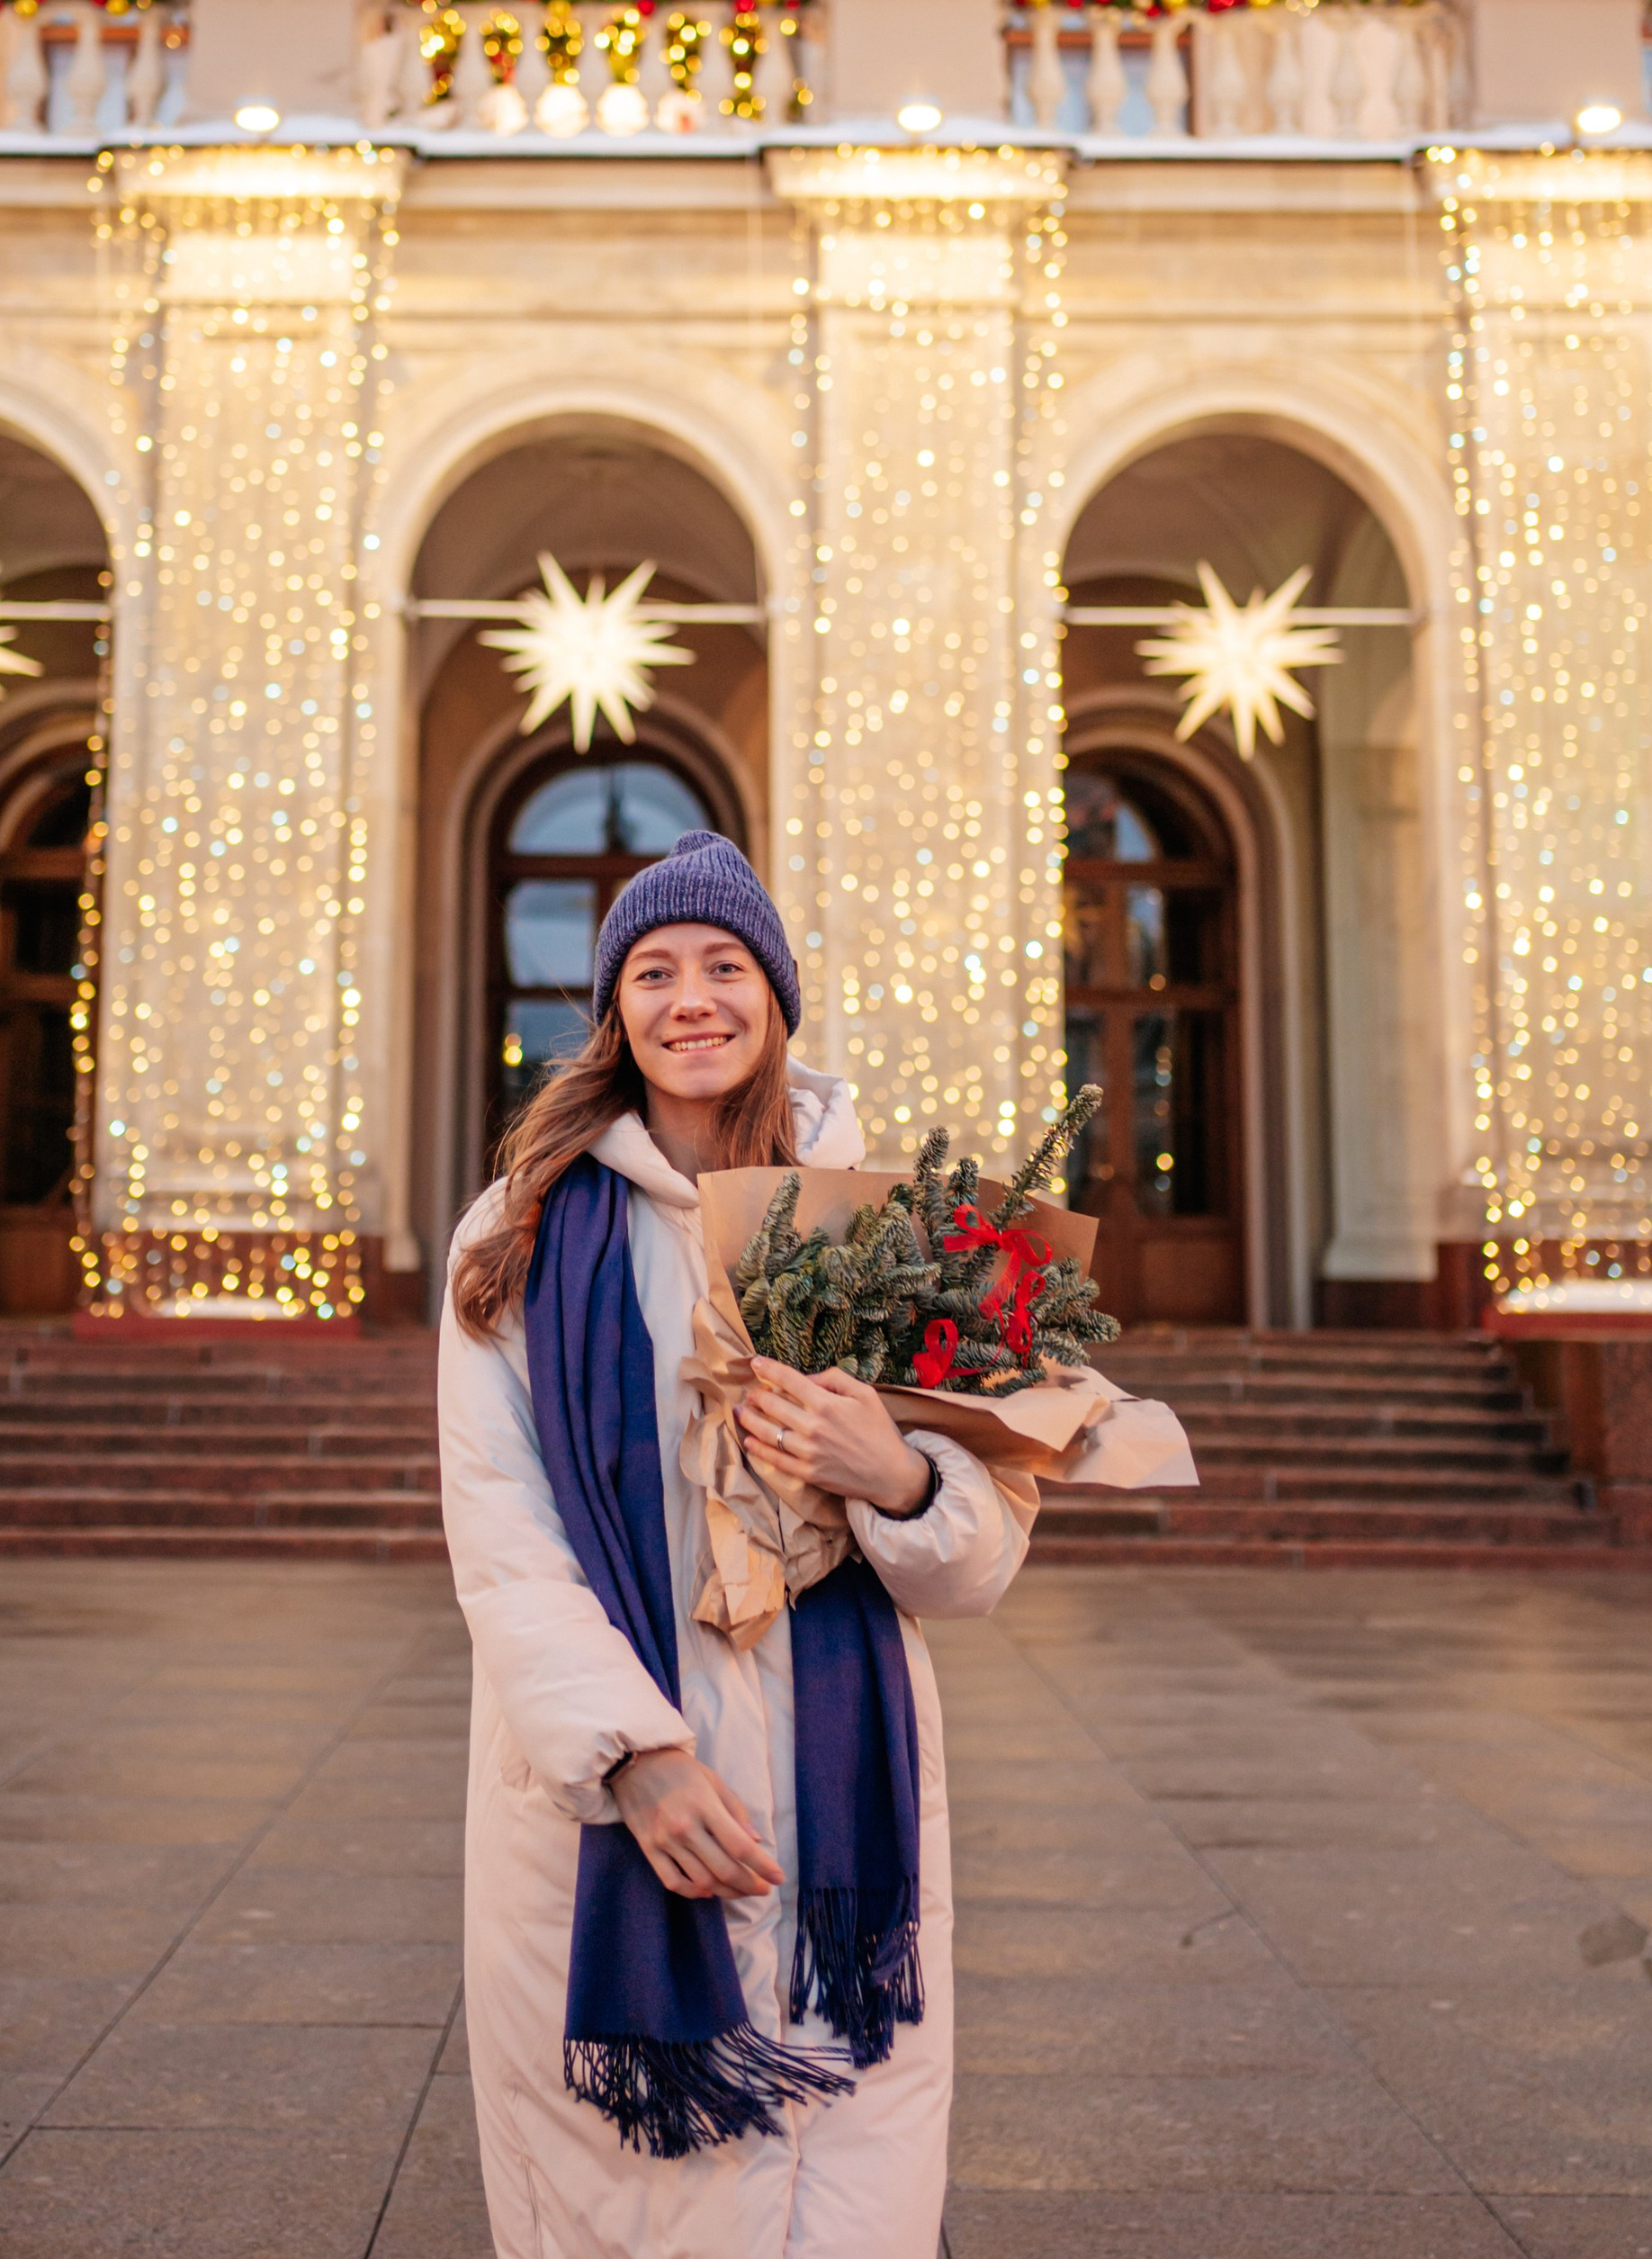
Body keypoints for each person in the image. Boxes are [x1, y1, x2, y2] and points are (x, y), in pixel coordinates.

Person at [438, 826, 1033, 2259]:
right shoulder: (519, 1231)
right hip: (620, 1780)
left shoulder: (887, 1232)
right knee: (629, 2204)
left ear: (773, 997)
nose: (689, 996)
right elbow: (504, 1533)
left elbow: (984, 1549)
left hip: (845, 1797)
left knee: (852, 2186)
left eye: (723, 964)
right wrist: (631, 1758)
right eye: (653, 969)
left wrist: (891, 1472)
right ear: (614, 1011)